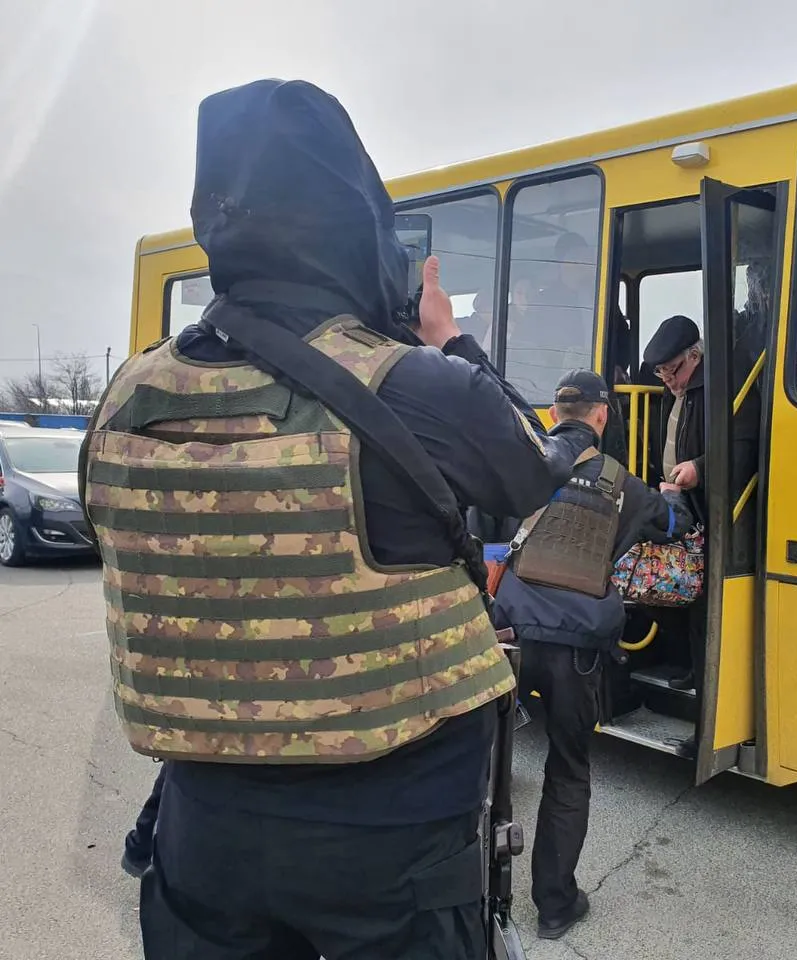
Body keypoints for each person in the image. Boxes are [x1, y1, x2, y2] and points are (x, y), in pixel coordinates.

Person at [80, 78, 596, 960]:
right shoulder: (416, 382)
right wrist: (449, 341)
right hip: (392, 835)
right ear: (359, 229)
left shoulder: (127, 394)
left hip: (202, 824)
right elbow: (531, 471)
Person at [491, 369, 692, 940]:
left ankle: (474, 895)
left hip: (509, 636)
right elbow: (674, 525)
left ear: (555, 415)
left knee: (484, 766)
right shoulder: (622, 484)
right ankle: (555, 906)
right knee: (567, 769)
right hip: (576, 648)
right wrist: (673, 492)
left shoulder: (523, 464)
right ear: (602, 416)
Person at [642, 316, 759, 747]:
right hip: (681, 510)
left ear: (696, 355)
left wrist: (699, 469)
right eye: (661, 373)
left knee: (703, 612)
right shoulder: (677, 389)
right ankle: (692, 669)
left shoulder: (726, 386)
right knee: (677, 598)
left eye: (673, 370)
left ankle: (707, 725)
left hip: (714, 514)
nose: (668, 380)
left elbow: (745, 449)